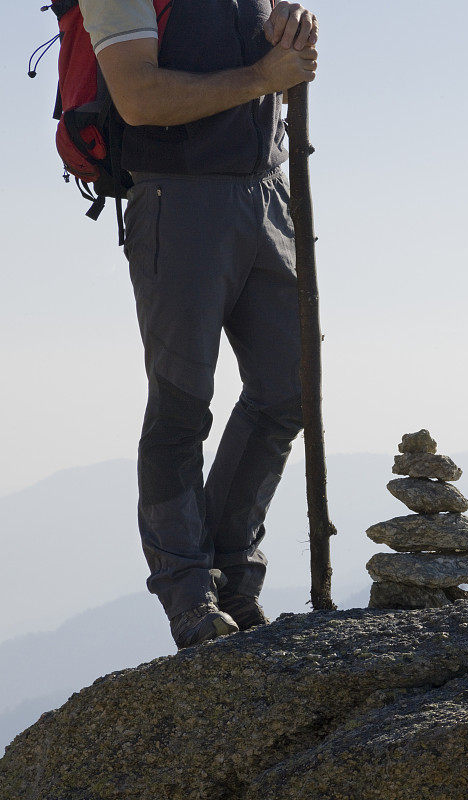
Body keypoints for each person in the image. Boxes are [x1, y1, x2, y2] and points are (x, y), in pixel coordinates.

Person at [77, 0, 319, 648]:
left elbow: (276, 61)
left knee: (289, 389)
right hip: (175, 199)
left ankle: (233, 579)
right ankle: (190, 599)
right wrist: (263, 78)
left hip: (266, 192)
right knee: (181, 410)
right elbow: (137, 95)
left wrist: (293, 27)